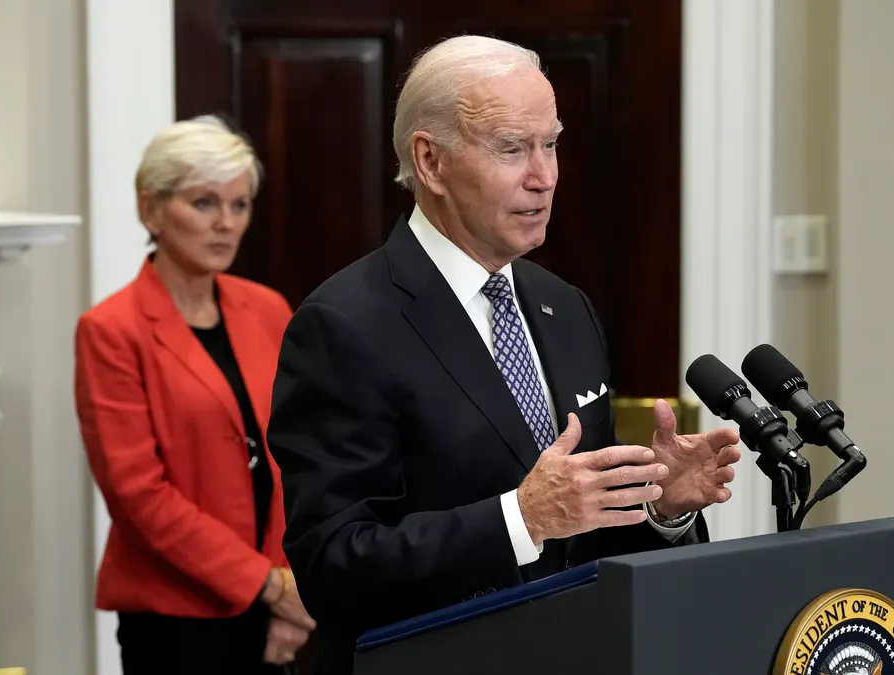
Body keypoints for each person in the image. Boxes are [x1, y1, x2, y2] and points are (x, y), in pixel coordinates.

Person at [266, 36, 742, 674]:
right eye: (512, 148)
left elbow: (581, 531)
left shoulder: (565, 307)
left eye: (550, 144)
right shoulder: (343, 325)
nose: (543, 176)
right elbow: (333, 565)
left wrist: (659, 508)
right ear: (430, 162)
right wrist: (518, 518)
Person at [74, 115, 315, 674]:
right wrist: (267, 586)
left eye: (238, 205)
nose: (225, 224)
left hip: (278, 598)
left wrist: (287, 597)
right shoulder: (111, 331)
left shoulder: (266, 308)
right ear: (150, 209)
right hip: (176, 616)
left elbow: (294, 454)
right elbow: (140, 496)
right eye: (203, 203)